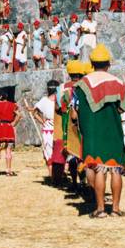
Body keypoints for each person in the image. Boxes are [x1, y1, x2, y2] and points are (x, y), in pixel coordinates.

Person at [75, 44, 125, 218]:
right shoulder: (118, 83)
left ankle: (100, 209)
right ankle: (115, 208)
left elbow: (77, 110)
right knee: (115, 169)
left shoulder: (83, 84)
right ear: (108, 63)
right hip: (113, 131)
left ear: (92, 63)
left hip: (93, 132)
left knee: (99, 169)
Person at [56, 60, 86, 190]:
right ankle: (83, 181)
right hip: (83, 123)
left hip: (67, 124)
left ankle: (73, 181)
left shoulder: (62, 88)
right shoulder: (84, 87)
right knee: (83, 152)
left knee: (71, 153)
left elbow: (58, 107)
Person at [0, 86, 21, 176]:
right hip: (8, 127)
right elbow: (19, 115)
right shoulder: (12, 105)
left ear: (0, 96)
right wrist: (14, 123)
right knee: (8, 150)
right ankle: (8, 171)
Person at [32, 80, 58, 179]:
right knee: (55, 151)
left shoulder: (44, 100)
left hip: (49, 128)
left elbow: (35, 113)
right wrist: (43, 122)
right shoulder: (59, 100)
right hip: (54, 128)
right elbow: (35, 112)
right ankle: (56, 175)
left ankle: (53, 176)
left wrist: (43, 121)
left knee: (49, 152)